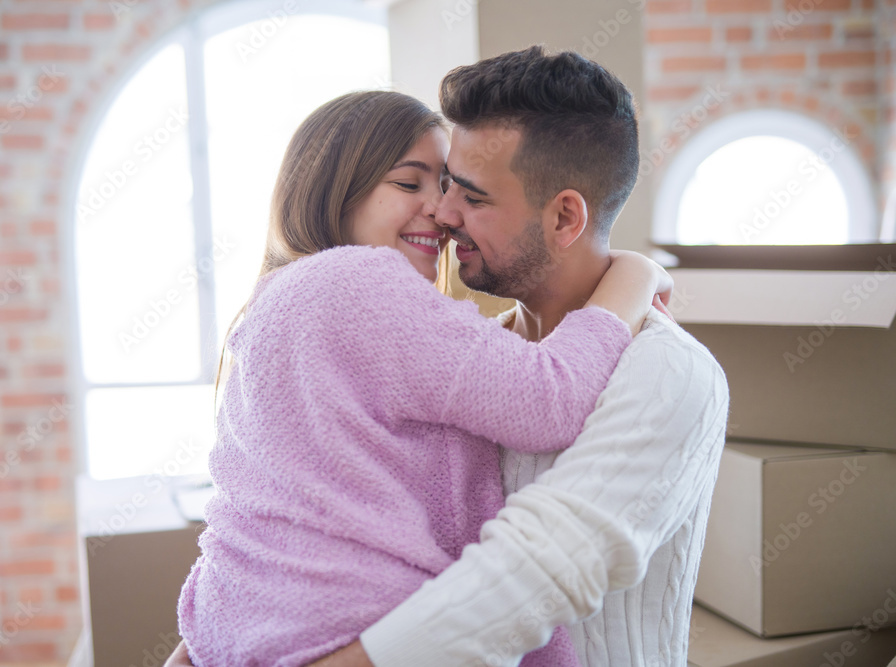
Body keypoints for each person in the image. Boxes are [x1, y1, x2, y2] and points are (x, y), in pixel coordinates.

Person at [173, 88, 671, 667]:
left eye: (446, 186)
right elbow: (550, 398)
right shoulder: (359, 281)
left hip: (251, 629)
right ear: (334, 189)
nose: (439, 210)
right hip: (355, 630)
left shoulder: (275, 306)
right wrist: (636, 273)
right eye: (409, 184)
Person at [304, 47, 730, 667]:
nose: (442, 214)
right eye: (444, 183)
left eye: (471, 197)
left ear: (564, 218)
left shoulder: (669, 374)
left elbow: (532, 577)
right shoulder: (471, 363)